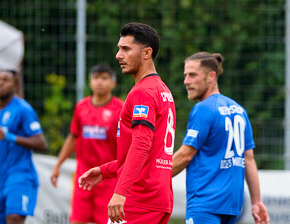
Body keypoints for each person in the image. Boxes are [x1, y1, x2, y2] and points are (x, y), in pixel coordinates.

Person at [78, 22, 176, 224]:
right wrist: (105, 171)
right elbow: (151, 152)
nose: (118, 55)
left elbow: (141, 145)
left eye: (126, 49)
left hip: (139, 197)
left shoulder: (142, 92)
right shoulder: (163, 90)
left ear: (147, 52)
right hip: (159, 198)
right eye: (118, 49)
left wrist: (120, 192)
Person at [172, 52, 270, 224]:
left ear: (211, 76)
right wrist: (257, 202)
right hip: (231, 207)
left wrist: (152, 179)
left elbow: (185, 155)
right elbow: (249, 159)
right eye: (185, 75)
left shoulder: (203, 109)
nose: (186, 81)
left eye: (192, 75)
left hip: (204, 203)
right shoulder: (239, 109)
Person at [50, 63, 123, 224]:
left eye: (104, 78)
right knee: (77, 220)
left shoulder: (121, 109)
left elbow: (127, 145)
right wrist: (57, 165)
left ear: (113, 83)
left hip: (108, 179)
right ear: (90, 82)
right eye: (96, 78)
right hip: (83, 177)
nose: (99, 82)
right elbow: (72, 137)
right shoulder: (81, 107)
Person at [0, 69, 47, 224]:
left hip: (20, 176)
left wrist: (10, 137)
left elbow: (41, 143)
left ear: (15, 84)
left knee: (14, 218)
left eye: (6, 80)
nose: (1, 83)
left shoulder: (23, 109)